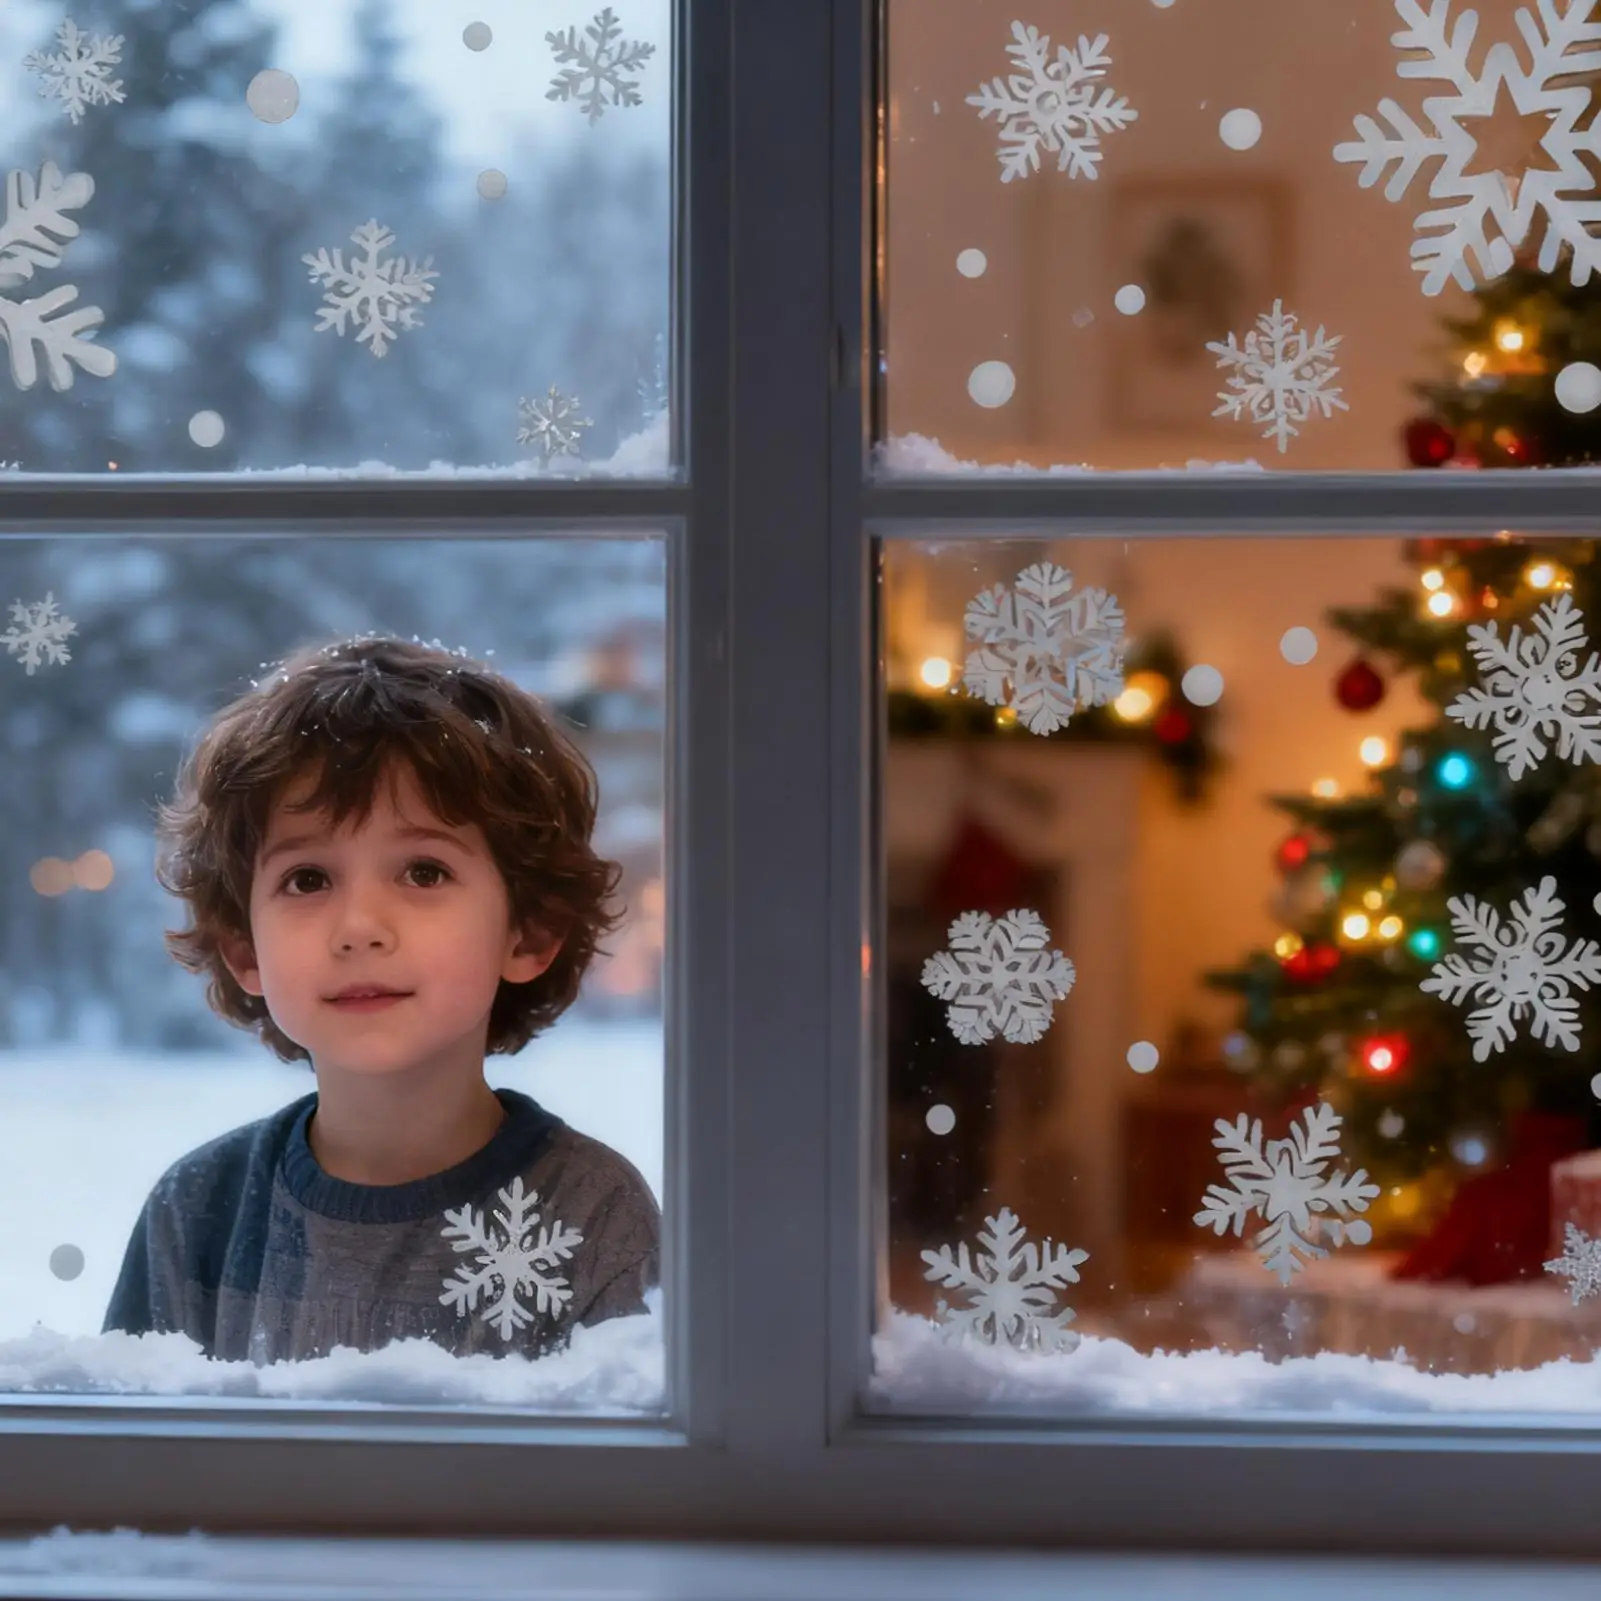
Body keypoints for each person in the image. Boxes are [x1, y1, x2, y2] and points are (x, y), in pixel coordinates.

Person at [103, 634, 660, 1366]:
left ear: (529, 930)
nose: (359, 928)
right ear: (244, 948)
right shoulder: (198, 1212)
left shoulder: (592, 1214)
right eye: (307, 879)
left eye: (423, 872)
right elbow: (133, 1472)